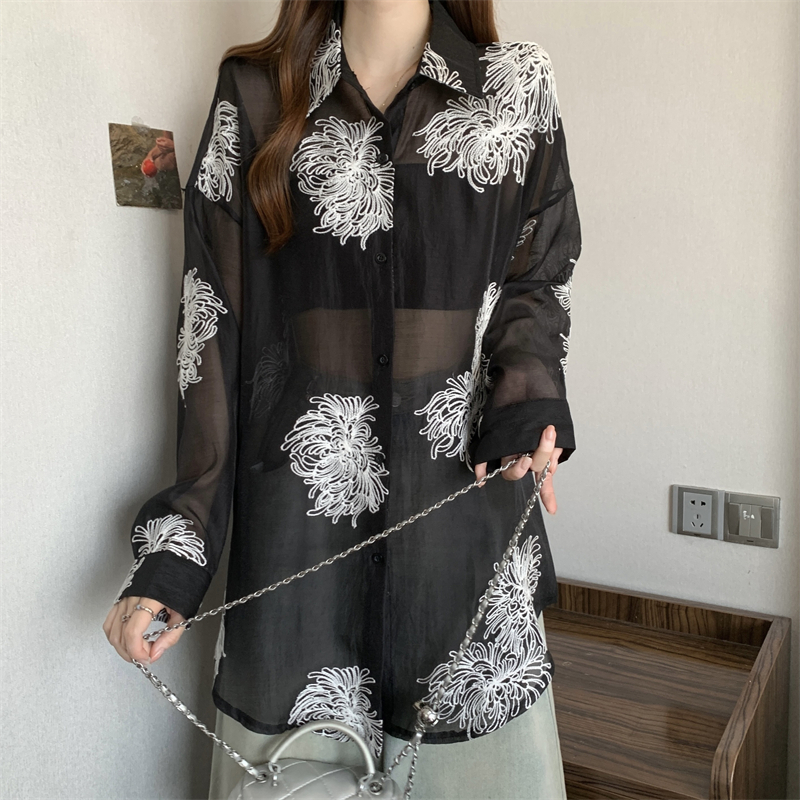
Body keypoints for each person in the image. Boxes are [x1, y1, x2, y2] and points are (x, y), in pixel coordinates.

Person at [103, 0, 582, 797]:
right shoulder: (254, 93)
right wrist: (173, 558)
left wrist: (526, 401)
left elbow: (538, 277)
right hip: (298, 570)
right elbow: (210, 330)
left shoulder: (516, 88)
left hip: (464, 565)